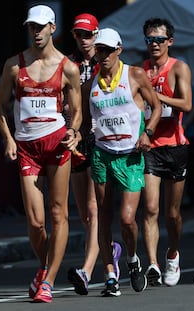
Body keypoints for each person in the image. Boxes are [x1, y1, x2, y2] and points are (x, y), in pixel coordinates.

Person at [0, 5, 82, 303]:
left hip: (57, 144)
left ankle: (49, 281)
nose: (37, 32)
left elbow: (78, 111)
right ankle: (45, 266)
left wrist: (74, 131)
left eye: (42, 26)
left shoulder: (68, 67)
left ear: (52, 28)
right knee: (35, 221)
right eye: (32, 27)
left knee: (58, 213)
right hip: (27, 148)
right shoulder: (15, 66)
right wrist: (7, 139)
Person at [81, 27, 162, 297]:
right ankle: (110, 275)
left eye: (107, 50)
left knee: (127, 219)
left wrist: (148, 133)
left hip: (130, 155)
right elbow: (84, 119)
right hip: (103, 154)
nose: (102, 55)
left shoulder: (135, 75)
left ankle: (131, 259)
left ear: (119, 50)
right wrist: (82, 136)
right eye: (98, 50)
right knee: (103, 216)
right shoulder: (89, 84)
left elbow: (157, 107)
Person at [65, 13, 122, 296]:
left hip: (99, 138)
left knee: (93, 208)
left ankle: (86, 272)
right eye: (79, 35)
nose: (84, 40)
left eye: (88, 35)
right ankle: (110, 248)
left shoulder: (107, 60)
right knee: (85, 216)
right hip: (74, 138)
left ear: (97, 34)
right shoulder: (67, 64)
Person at [140, 18, 192, 287]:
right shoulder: (140, 71)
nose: (154, 45)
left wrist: (159, 98)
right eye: (149, 40)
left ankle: (172, 253)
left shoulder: (179, 68)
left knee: (171, 214)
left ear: (169, 41)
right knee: (149, 208)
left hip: (175, 146)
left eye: (159, 40)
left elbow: (187, 103)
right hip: (150, 147)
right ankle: (153, 264)